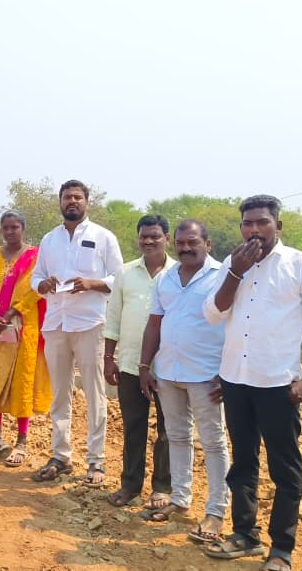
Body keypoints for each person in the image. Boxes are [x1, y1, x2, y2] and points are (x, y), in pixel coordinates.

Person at [202, 194, 302, 571]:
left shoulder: (300, 265)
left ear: (278, 226)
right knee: (242, 462)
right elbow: (212, 314)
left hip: (278, 385)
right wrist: (236, 272)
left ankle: (282, 549)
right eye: (247, 224)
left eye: (262, 222)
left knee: (284, 468)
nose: (254, 230)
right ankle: (245, 535)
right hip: (236, 380)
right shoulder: (232, 263)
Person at [137, 219, 229, 540]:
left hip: (207, 375)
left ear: (208, 244)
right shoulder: (165, 278)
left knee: (214, 443)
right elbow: (154, 323)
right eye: (181, 243)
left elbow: (236, 324)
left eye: (193, 242)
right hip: (169, 372)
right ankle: (180, 499)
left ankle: (216, 511)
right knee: (176, 437)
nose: (186, 248)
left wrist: (228, 371)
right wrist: (145, 366)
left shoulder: (223, 276)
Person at [30, 179, 123, 485]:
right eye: (67, 197)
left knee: (95, 394)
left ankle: (96, 461)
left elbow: (119, 278)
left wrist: (92, 283)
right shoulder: (50, 239)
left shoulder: (103, 237)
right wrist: (42, 284)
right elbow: (36, 277)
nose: (72, 201)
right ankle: (61, 455)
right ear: (60, 202)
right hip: (56, 323)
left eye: (77, 197)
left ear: (86, 201)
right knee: (60, 394)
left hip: (89, 324)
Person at [105, 215, 174, 509]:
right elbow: (113, 317)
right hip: (131, 363)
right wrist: (109, 357)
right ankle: (130, 485)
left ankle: (163, 487)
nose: (148, 241)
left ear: (167, 239)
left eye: (155, 236)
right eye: (144, 236)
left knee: (168, 430)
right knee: (133, 427)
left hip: (168, 366)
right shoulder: (125, 273)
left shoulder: (178, 273)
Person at [0, 210, 52, 466]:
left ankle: (21, 441)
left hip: (23, 327)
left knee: (22, 382)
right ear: (1, 230)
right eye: (6, 228)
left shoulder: (36, 257)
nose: (10, 232)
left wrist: (11, 313)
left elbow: (37, 291)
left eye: (15, 227)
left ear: (23, 229)